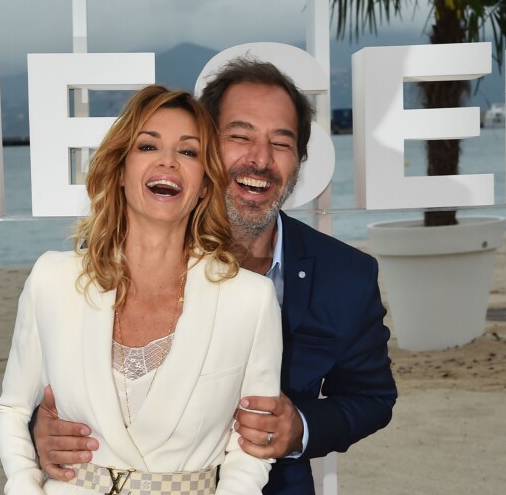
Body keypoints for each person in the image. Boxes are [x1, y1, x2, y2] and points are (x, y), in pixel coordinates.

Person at [31, 59, 398, 495]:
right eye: (239, 137)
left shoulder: (347, 276)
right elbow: (46, 381)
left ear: (299, 160)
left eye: (281, 143)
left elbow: (371, 398)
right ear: (204, 148)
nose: (259, 159)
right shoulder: (112, 262)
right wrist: (42, 428)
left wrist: (298, 428)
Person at [0, 85, 283, 495]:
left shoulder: (249, 299)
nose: (168, 161)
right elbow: (12, 408)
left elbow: (252, 443)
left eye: (188, 152)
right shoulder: (51, 280)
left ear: (204, 184)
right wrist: (24, 487)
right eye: (148, 146)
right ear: (120, 170)